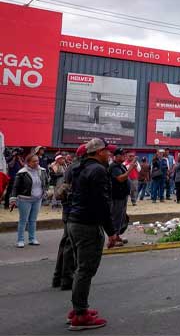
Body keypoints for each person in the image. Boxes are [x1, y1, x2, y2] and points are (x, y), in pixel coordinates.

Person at [65, 137, 118, 330]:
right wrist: (112, 232)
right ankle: (80, 315)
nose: (109, 154)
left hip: (74, 222)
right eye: (107, 151)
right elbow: (101, 205)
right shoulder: (97, 170)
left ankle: (78, 308)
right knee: (86, 270)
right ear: (97, 152)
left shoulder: (78, 167)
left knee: (81, 268)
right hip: (87, 225)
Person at [53, 144, 85, 290]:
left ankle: (58, 277)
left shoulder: (72, 166)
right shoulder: (79, 168)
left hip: (68, 209)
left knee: (65, 243)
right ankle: (66, 278)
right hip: (73, 210)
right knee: (70, 246)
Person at [9, 153, 48, 247]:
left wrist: (45, 191)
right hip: (24, 199)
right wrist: (13, 199)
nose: (36, 163)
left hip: (37, 199)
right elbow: (15, 187)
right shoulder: (22, 172)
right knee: (23, 220)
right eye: (34, 161)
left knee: (33, 220)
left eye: (37, 161)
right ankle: (20, 240)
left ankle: (32, 239)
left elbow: (46, 181)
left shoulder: (42, 171)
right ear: (28, 162)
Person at [108, 149, 129, 246]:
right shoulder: (114, 167)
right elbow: (120, 178)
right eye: (122, 155)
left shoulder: (121, 166)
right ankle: (112, 238)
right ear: (115, 156)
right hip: (116, 196)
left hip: (123, 195)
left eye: (124, 154)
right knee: (116, 216)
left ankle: (117, 235)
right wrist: (131, 168)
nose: (124, 156)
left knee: (121, 216)